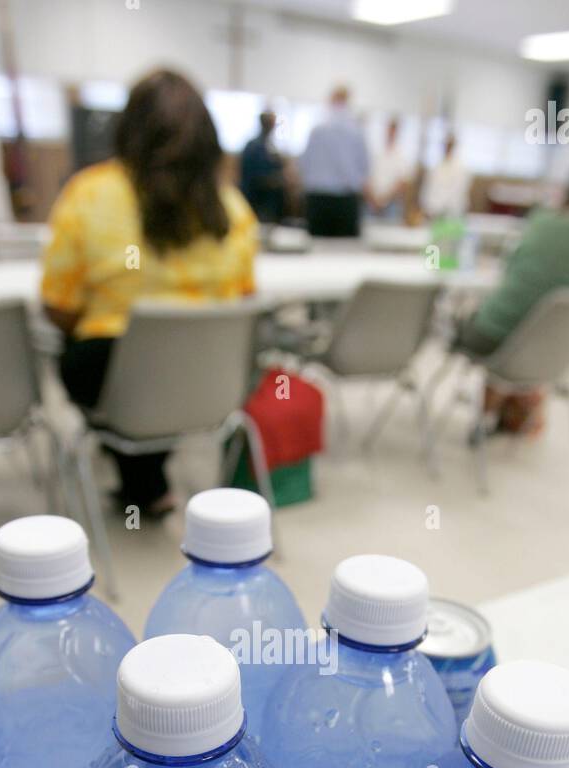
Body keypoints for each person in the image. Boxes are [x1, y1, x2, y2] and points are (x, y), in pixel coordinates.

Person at [41, 69, 258, 516]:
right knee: (172, 358)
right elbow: (242, 306)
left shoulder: (89, 193)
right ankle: (148, 475)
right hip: (206, 383)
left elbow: (58, 308)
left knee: (98, 353)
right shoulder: (235, 209)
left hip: (116, 381)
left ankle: (142, 475)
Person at [453, 161, 569, 434]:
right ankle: (516, 409)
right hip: (552, 360)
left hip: (495, 342)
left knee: (473, 320)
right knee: (527, 329)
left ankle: (495, 411)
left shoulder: (545, 226)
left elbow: (508, 276)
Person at [300, 86, 369, 238]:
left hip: (318, 200)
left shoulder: (317, 130)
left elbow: (304, 164)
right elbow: (364, 167)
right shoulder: (356, 132)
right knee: (343, 255)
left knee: (316, 252)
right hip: (345, 201)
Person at [240, 110, 286, 224]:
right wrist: (272, 180)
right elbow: (251, 174)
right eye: (271, 123)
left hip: (269, 200)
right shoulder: (253, 146)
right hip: (255, 197)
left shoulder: (271, 146)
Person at [367, 117, 412, 221]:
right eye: (389, 129)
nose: (390, 133)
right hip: (372, 204)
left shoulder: (402, 156)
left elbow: (403, 183)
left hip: (391, 205)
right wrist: (374, 200)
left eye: (393, 130)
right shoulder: (376, 153)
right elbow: (367, 178)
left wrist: (384, 200)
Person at [422, 133, 470, 221]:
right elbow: (429, 189)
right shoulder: (436, 166)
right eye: (446, 144)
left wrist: (443, 210)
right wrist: (428, 208)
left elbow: (457, 192)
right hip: (433, 212)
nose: (447, 147)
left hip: (451, 214)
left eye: (450, 145)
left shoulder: (461, 168)